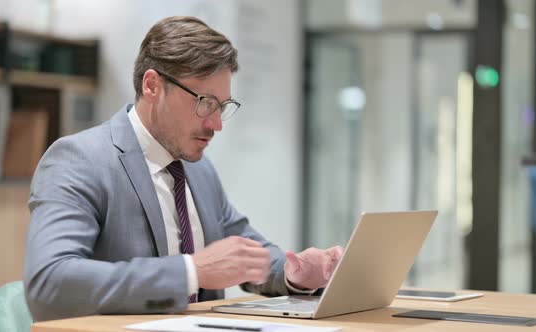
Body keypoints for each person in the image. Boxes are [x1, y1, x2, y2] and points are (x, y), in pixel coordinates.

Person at [23, 16, 343, 322]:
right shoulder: (79, 160)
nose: (216, 123)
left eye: (222, 106)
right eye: (205, 101)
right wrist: (191, 272)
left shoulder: (199, 172)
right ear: (152, 86)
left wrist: (295, 273)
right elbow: (50, 282)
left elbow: (248, 255)